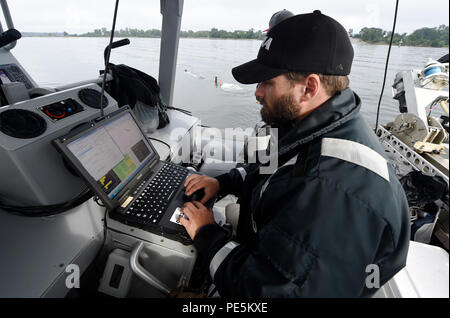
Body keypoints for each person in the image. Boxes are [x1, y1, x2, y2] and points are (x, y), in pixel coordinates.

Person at [179, 10, 410, 297]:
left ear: (309, 87)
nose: (258, 93)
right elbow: (269, 167)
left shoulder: (329, 190)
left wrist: (207, 235)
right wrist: (222, 182)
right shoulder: (309, 126)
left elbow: (276, 292)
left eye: (268, 82)